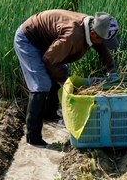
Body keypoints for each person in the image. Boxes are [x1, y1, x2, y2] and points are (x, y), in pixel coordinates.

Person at [14, 10, 119, 146]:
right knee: (41, 84)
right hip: (28, 40)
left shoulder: (94, 27)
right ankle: (33, 138)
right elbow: (49, 59)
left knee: (61, 70)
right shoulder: (73, 37)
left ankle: (49, 113)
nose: (103, 43)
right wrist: (64, 82)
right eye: (102, 40)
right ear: (93, 33)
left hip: (45, 40)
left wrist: (111, 71)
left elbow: (102, 49)